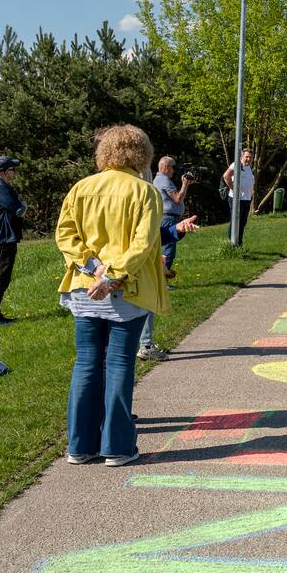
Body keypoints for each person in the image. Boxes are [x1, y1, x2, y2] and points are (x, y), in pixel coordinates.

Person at [55, 124, 168, 467]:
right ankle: (117, 446)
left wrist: (92, 267)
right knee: (119, 362)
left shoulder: (81, 188)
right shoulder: (144, 192)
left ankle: (79, 445)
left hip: (83, 287)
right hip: (125, 289)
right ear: (142, 154)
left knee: (87, 362)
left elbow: (65, 234)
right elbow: (143, 242)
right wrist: (114, 275)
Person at [137, 214, 202, 361]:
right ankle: (144, 346)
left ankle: (145, 345)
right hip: (124, 268)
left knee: (147, 299)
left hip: (133, 263)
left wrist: (176, 229)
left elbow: (149, 234)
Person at [0, 155, 27, 328]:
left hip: (1, 236)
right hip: (3, 237)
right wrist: (24, 205)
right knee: (0, 277)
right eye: (12, 170)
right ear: (4, 171)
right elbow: (19, 210)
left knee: (0, 276)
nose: (14, 173)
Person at [152, 156, 190, 274]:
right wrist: (185, 184)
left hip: (166, 216)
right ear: (165, 167)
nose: (174, 170)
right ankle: (163, 279)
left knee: (167, 249)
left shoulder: (159, 180)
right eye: (173, 167)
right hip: (168, 217)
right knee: (168, 250)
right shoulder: (164, 180)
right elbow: (178, 199)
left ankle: (162, 279)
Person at [222, 149, 255, 241]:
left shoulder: (249, 168)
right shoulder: (237, 165)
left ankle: (238, 244)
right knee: (235, 222)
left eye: (250, 157)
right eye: (246, 157)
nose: (248, 159)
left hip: (246, 199)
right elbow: (226, 176)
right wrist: (234, 190)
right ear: (242, 157)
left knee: (242, 222)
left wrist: (251, 194)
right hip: (236, 198)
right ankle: (231, 244)